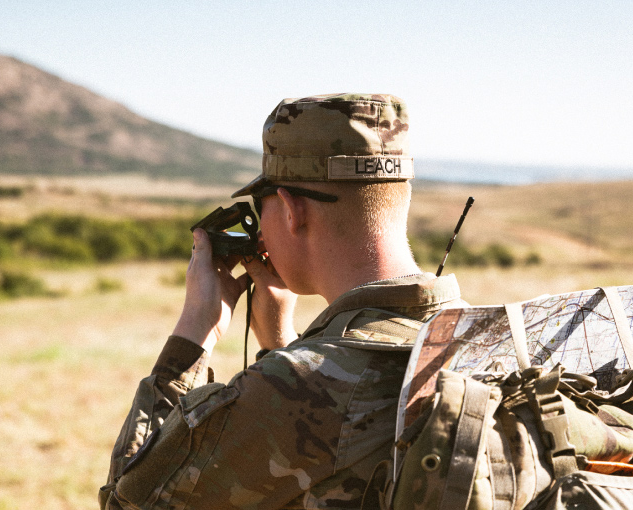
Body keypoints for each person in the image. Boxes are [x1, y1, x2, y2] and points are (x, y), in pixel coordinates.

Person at [99, 93, 468, 509]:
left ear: (292, 210)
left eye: (262, 206)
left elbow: (129, 501)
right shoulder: (494, 342)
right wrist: (281, 341)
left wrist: (194, 333)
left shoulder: (291, 389)